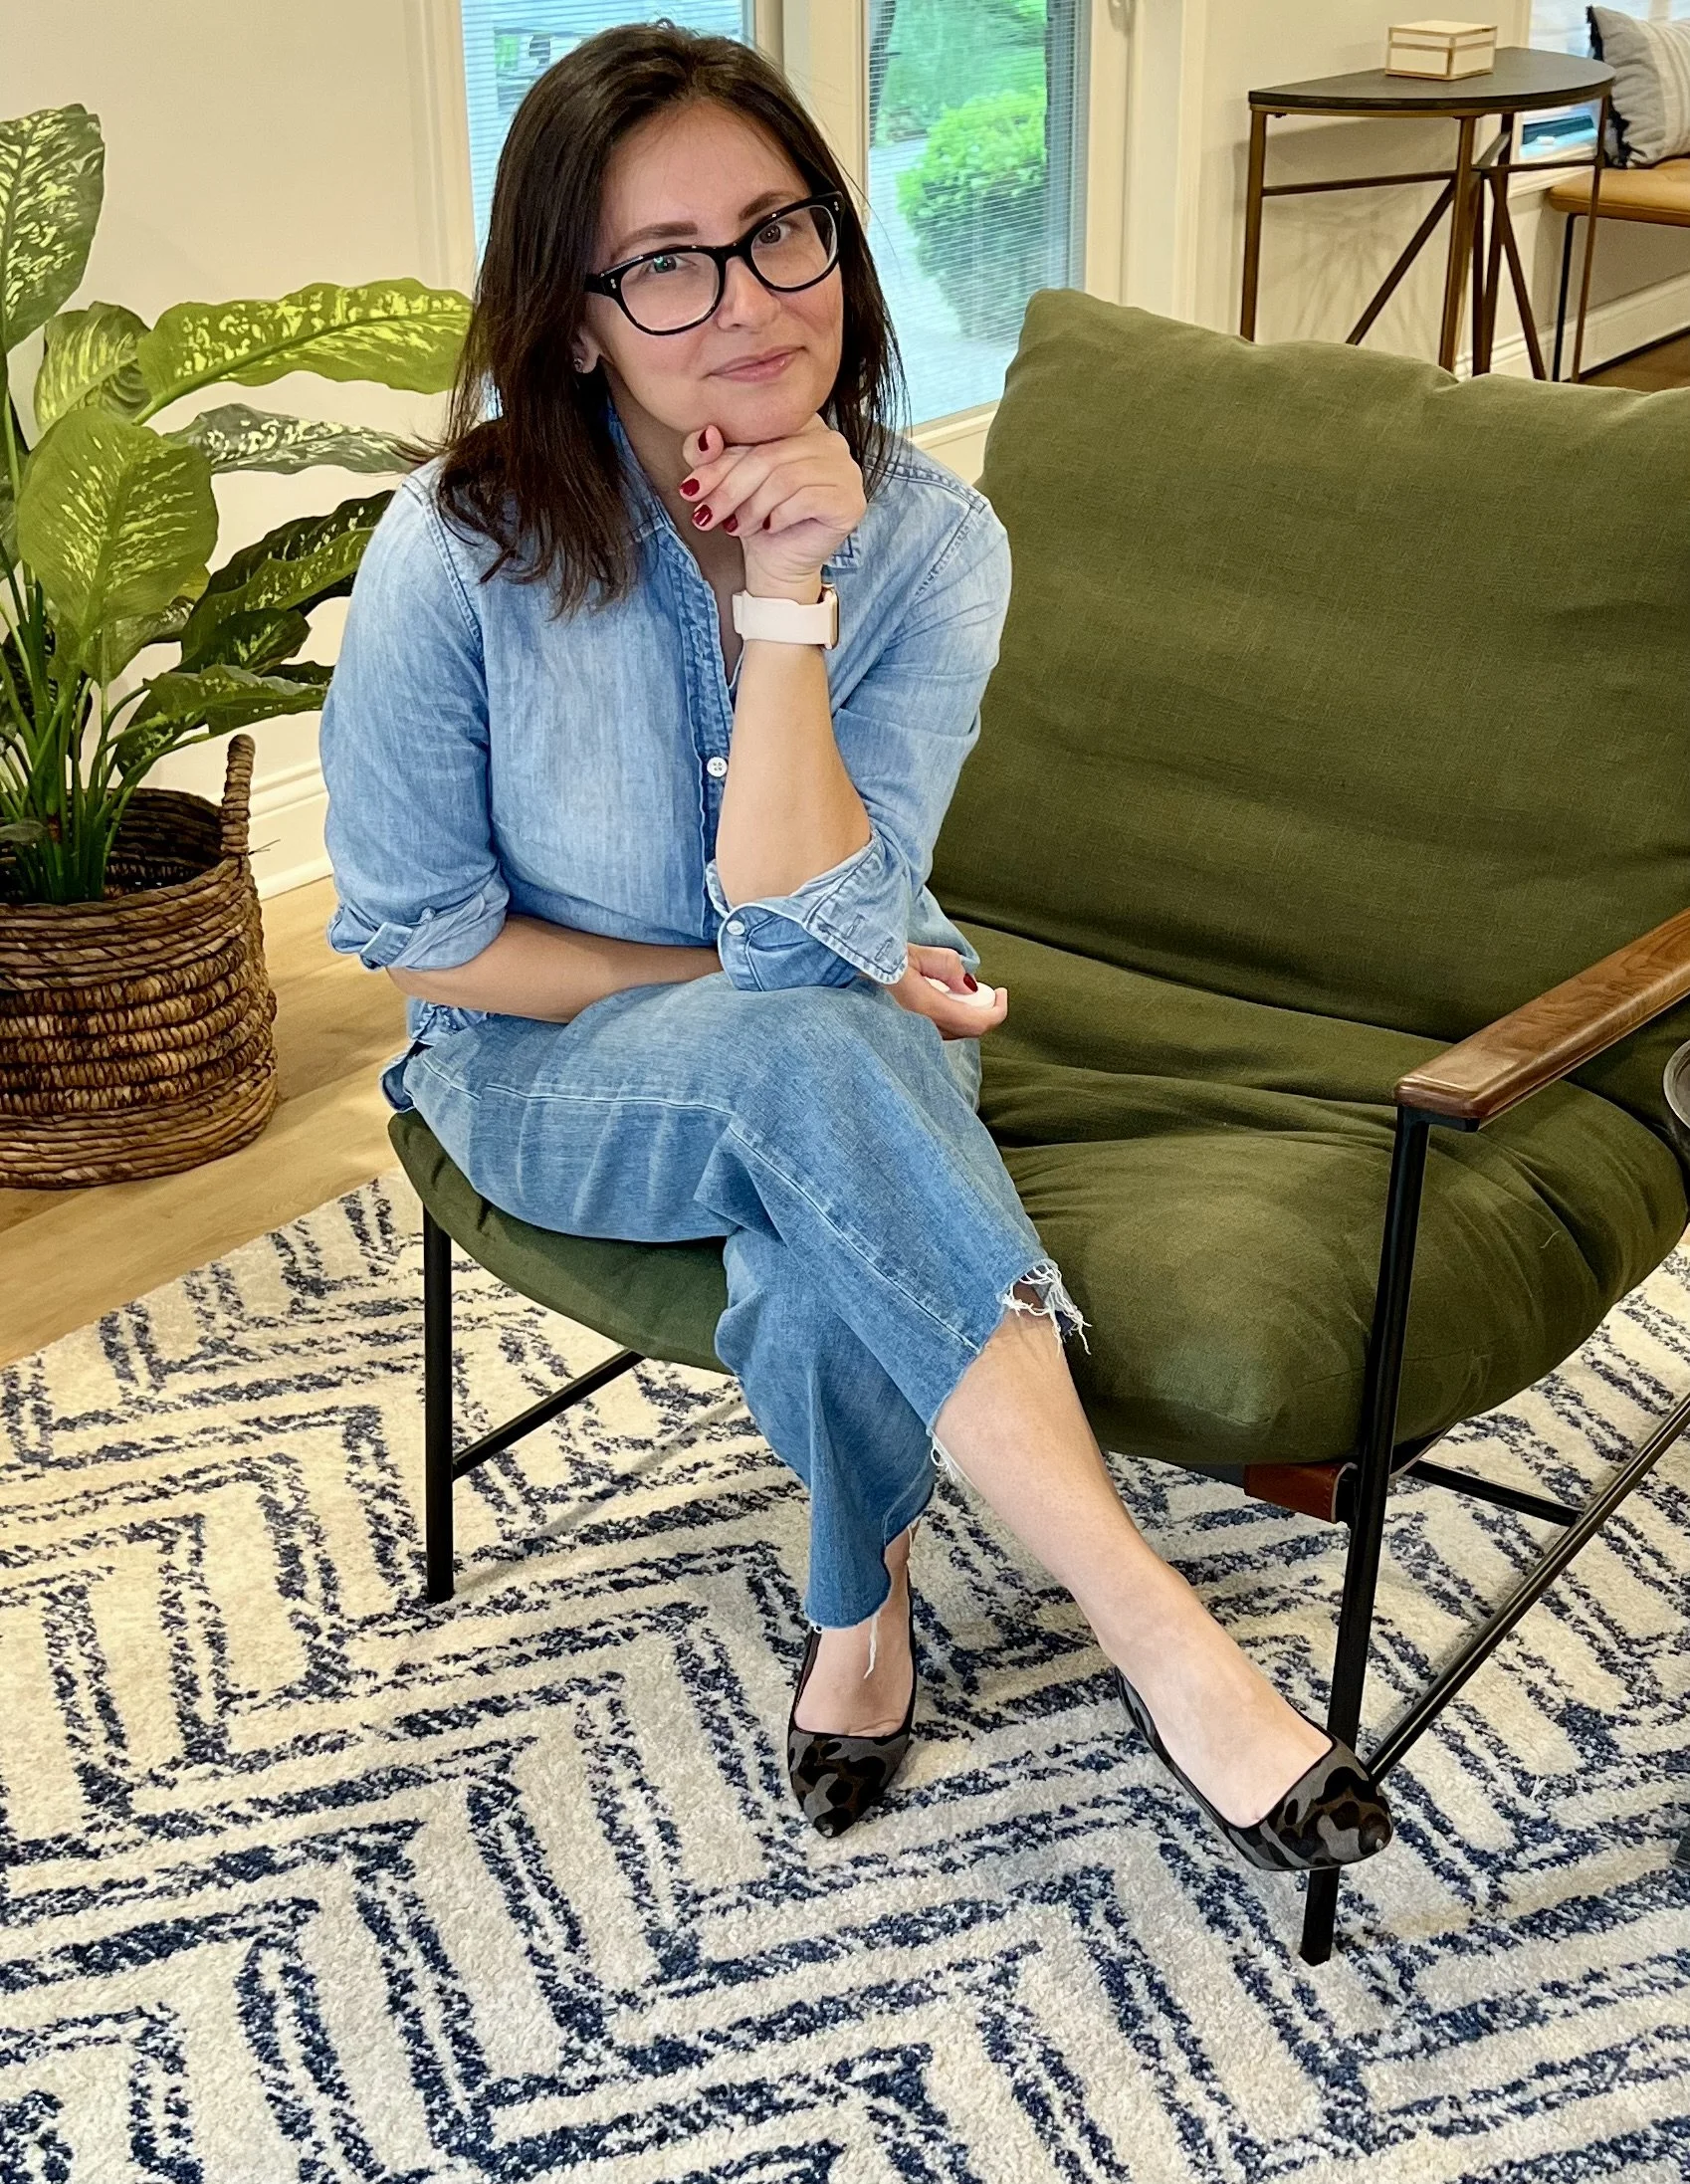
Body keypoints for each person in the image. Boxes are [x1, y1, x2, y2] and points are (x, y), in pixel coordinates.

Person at [319, 23, 1390, 1870]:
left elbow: (810, 920)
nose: (743, 300)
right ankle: (1154, 1623)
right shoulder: (455, 547)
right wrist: (756, 992)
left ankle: (860, 1601)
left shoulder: (934, 542)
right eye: (665, 263)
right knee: (814, 1051)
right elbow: (430, 947)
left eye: (780, 230)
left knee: (818, 1110)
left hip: (844, 998)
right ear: (574, 319)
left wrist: (793, 602)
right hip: (539, 1058)